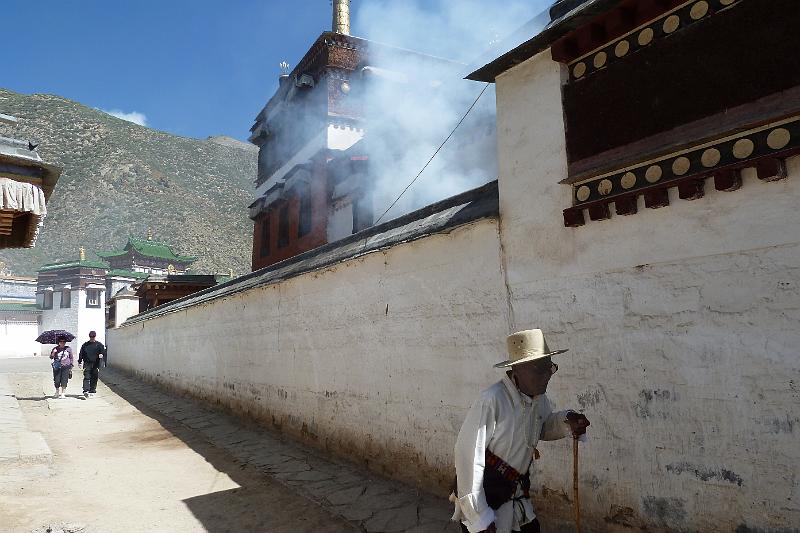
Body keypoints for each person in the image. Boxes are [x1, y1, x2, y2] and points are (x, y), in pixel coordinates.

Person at [451, 329, 591, 533]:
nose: (548, 375)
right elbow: (468, 457)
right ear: (517, 370)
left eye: (550, 367)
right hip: (489, 504)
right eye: (540, 369)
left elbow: (541, 428)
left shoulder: (538, 398)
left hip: (516, 499)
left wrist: (567, 422)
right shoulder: (492, 400)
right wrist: (479, 516)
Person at [78, 331, 106, 399]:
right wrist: (79, 361)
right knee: (86, 376)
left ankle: (92, 390)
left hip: (96, 364)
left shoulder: (99, 345)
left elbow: (103, 352)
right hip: (87, 363)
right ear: (89, 337)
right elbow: (81, 353)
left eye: (93, 337)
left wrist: (101, 355)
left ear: (95, 337)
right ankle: (85, 391)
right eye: (91, 337)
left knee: (94, 377)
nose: (92, 338)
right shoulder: (85, 345)